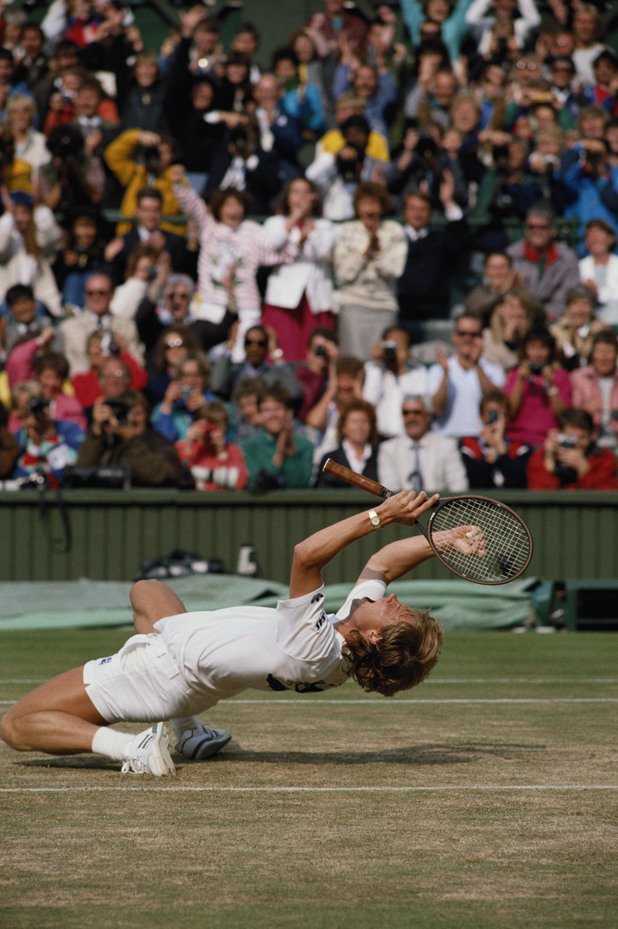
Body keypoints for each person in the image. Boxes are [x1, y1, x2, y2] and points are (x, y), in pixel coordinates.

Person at [0, 487, 464, 775]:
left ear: (375, 638)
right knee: (148, 590)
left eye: (396, 611)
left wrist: (379, 515)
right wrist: (443, 541)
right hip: (189, 673)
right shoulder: (344, 640)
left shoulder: (314, 646)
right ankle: (186, 731)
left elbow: (307, 554)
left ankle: (132, 747)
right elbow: (384, 562)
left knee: (17, 725)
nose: (393, 599)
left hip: (162, 672)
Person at [261, 178, 336, 362]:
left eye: (306, 192)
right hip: (283, 299)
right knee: (283, 350)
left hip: (316, 299)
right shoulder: (275, 222)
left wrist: (311, 230)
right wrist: (294, 219)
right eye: (295, 192)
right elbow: (270, 245)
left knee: (314, 354)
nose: (301, 197)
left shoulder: (326, 225)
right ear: (287, 197)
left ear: (314, 196)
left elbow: (323, 252)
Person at [333, 182, 407, 360]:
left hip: (384, 305)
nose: (370, 210)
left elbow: (394, 271)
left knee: (382, 361)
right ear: (357, 207)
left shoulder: (394, 231)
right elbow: (343, 274)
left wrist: (378, 250)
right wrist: (365, 253)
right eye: (365, 204)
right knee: (353, 361)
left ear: (382, 207)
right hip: (353, 305)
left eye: (374, 204)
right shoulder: (345, 231)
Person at [76, 389, 186, 488]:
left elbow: (163, 475)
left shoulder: (157, 441)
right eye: (125, 414)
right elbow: (82, 473)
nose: (132, 419)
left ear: (147, 415)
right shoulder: (109, 443)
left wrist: (130, 440)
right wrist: (96, 433)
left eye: (138, 414)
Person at [428, 313, 506, 438]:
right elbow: (437, 408)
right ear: (454, 336)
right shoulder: (438, 370)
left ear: (482, 338)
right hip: (447, 440)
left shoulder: (494, 370)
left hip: (481, 440)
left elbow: (495, 403)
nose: (467, 339)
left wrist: (476, 365)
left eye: (474, 334)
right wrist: (445, 374)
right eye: (462, 334)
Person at [378, 394, 469, 493]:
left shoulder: (447, 446)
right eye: (406, 413)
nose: (411, 418)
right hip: (402, 507)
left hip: (438, 506)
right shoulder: (388, 449)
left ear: (428, 416)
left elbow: (459, 486)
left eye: (417, 412)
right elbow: (390, 490)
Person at [506, 203, 580, 323]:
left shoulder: (567, 258)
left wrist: (541, 315)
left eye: (542, 227)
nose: (536, 231)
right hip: (517, 316)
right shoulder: (512, 255)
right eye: (531, 227)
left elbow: (566, 296)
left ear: (553, 230)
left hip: (554, 319)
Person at [59, 272, 143, 376]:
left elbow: (139, 364)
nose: (96, 297)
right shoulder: (69, 328)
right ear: (85, 296)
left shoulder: (127, 327)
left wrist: (124, 350)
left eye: (101, 293)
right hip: (81, 386)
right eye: (91, 293)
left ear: (112, 294)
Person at [503, 328, 572, 448]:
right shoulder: (515, 374)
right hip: (516, 440)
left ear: (550, 351)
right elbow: (509, 412)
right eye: (532, 347)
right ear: (525, 350)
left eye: (542, 347)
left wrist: (551, 384)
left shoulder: (561, 376)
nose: (537, 353)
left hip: (546, 442)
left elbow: (563, 416)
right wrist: (520, 380)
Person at [362, 324, 430, 438]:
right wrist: (377, 365)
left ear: (407, 349)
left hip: (405, 438)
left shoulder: (418, 372)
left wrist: (402, 367)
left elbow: (418, 404)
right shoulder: (372, 368)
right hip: (377, 437)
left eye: (399, 345)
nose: (393, 351)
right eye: (390, 345)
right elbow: (369, 403)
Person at [242, 384, 314, 490]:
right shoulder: (249, 447)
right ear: (260, 415)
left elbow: (300, 483)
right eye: (266, 410)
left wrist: (289, 448)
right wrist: (280, 453)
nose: (273, 415)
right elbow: (256, 483)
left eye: (277, 409)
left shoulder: (305, 446)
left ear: (289, 413)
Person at [527, 407, 617, 490]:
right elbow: (540, 496)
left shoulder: (604, 458)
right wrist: (549, 460)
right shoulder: (541, 456)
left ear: (591, 437)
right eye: (571, 438)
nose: (577, 443)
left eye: (582, 437)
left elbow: (606, 496)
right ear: (560, 435)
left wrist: (583, 469)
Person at [460, 389, 531, 488]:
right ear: (481, 416)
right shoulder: (469, 446)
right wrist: (487, 461)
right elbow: (472, 483)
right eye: (491, 413)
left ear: (507, 417)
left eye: (500, 414)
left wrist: (501, 450)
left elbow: (519, 483)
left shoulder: (520, 448)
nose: (494, 419)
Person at [175, 401, 248, 492]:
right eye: (208, 425)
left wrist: (222, 453)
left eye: (217, 426)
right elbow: (178, 476)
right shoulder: (181, 447)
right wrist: (189, 444)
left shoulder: (233, 450)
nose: (211, 431)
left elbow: (240, 483)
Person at [315, 398, 379, 488]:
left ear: (371, 427)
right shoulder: (330, 459)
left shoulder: (380, 457)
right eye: (354, 421)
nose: (359, 426)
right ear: (343, 427)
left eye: (364, 421)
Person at [571, 331, 618, 452]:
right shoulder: (578, 377)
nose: (604, 357)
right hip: (589, 441)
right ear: (592, 355)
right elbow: (570, 413)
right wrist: (584, 410)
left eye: (609, 352)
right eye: (600, 351)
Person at [549, 285, 609, 371]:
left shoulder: (602, 331)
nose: (580, 310)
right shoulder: (555, 331)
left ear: (592, 308)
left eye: (585, 304)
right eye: (575, 303)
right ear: (567, 308)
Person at [578, 219, 618, 327]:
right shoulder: (579, 267)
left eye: (598, 234)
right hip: (589, 320)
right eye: (590, 236)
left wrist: (598, 292)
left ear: (611, 239)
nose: (594, 239)